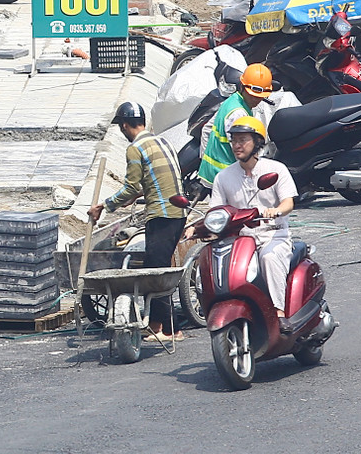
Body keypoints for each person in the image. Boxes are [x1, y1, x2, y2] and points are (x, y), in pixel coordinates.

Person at [89, 102, 187, 339]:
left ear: (124, 126)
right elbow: (159, 179)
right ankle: (155, 325)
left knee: (155, 274)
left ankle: (172, 330)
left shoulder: (135, 149)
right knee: (155, 268)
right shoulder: (162, 141)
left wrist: (105, 206)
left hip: (162, 216)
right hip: (178, 214)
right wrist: (138, 193)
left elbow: (131, 187)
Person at [184, 116, 296, 320]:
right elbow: (216, 212)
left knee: (269, 258)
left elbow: (288, 202)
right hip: (241, 239)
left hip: (274, 236)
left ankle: (279, 313)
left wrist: (276, 211)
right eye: (234, 140)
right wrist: (197, 227)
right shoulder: (223, 177)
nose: (237, 145)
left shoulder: (276, 169)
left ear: (257, 143)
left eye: (243, 140)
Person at [197, 63, 274, 189]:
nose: (256, 100)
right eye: (253, 95)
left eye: (260, 97)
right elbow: (243, 152)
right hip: (227, 180)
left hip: (211, 174)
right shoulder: (238, 113)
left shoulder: (232, 101)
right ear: (242, 87)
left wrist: (205, 163)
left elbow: (207, 129)